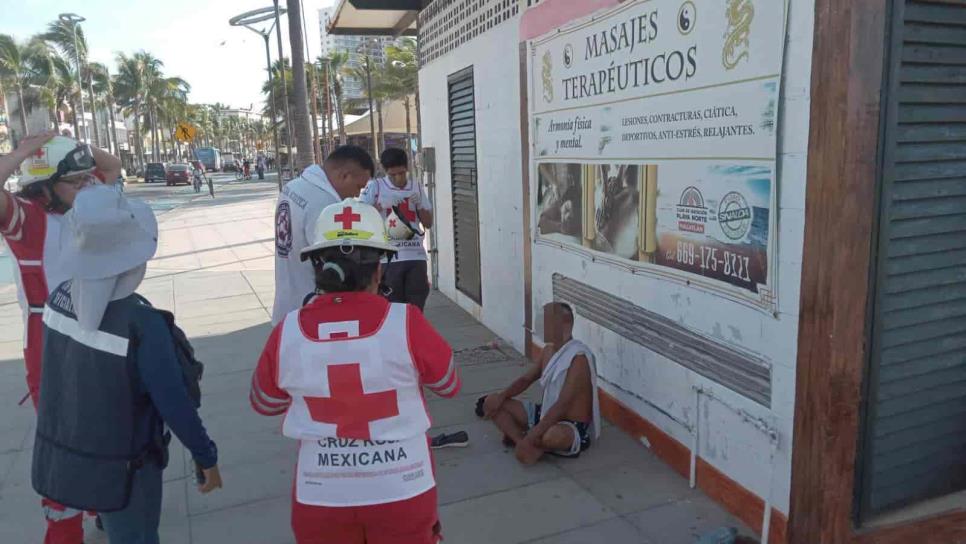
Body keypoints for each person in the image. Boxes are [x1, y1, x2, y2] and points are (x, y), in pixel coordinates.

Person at [251, 199, 460, 544]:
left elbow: (266, 403)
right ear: (379, 268)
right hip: (403, 487)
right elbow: (448, 383)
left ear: (319, 267)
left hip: (321, 494)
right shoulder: (407, 323)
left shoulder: (287, 331)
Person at [32, 185, 223, 544]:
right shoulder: (142, 324)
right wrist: (205, 455)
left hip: (76, 454)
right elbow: (175, 404)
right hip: (127, 466)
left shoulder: (56, 300)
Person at [0, 131, 122, 544]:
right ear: (44, 186)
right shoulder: (28, 219)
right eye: (76, 180)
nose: (90, 184)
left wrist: (77, 144)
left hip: (97, 325)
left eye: (88, 178)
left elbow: (112, 168)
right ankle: (64, 528)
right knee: (65, 438)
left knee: (105, 424)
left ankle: (101, 502)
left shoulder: (82, 206)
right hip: (52, 339)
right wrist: (21, 153)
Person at [477, 303, 600, 464]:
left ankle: (532, 441)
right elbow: (526, 380)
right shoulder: (548, 350)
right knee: (491, 403)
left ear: (565, 324)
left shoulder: (579, 358)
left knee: (553, 436)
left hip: (569, 424)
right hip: (544, 413)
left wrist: (534, 433)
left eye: (547, 322)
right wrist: (502, 396)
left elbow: (563, 404)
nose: (541, 326)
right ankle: (523, 442)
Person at [272, 145, 374, 325]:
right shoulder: (325, 207)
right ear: (344, 175)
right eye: (359, 187)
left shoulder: (293, 187)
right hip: (312, 315)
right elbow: (338, 266)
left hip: (287, 305)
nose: (357, 194)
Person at [359, 148, 433, 311]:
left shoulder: (416, 187)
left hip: (415, 256)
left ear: (407, 168)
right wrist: (377, 207)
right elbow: (361, 216)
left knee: (416, 308)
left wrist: (419, 204)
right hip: (389, 258)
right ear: (385, 171)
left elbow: (428, 223)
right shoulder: (376, 187)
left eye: (402, 173)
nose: (399, 178)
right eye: (393, 175)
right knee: (392, 308)